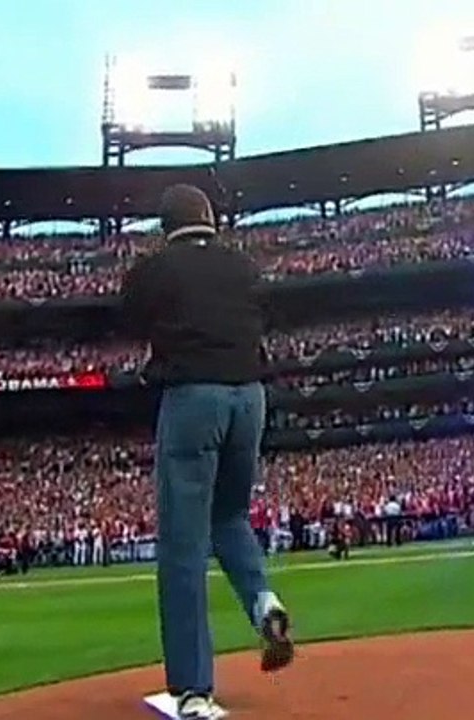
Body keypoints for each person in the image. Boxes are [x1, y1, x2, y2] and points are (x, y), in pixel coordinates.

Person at [122, 183, 295, 720]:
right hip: (251, 397)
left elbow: (130, 318)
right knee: (230, 516)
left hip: (193, 396)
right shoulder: (242, 267)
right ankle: (264, 602)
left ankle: (194, 691)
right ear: (211, 220)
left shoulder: (154, 269)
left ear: (166, 226)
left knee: (181, 547)